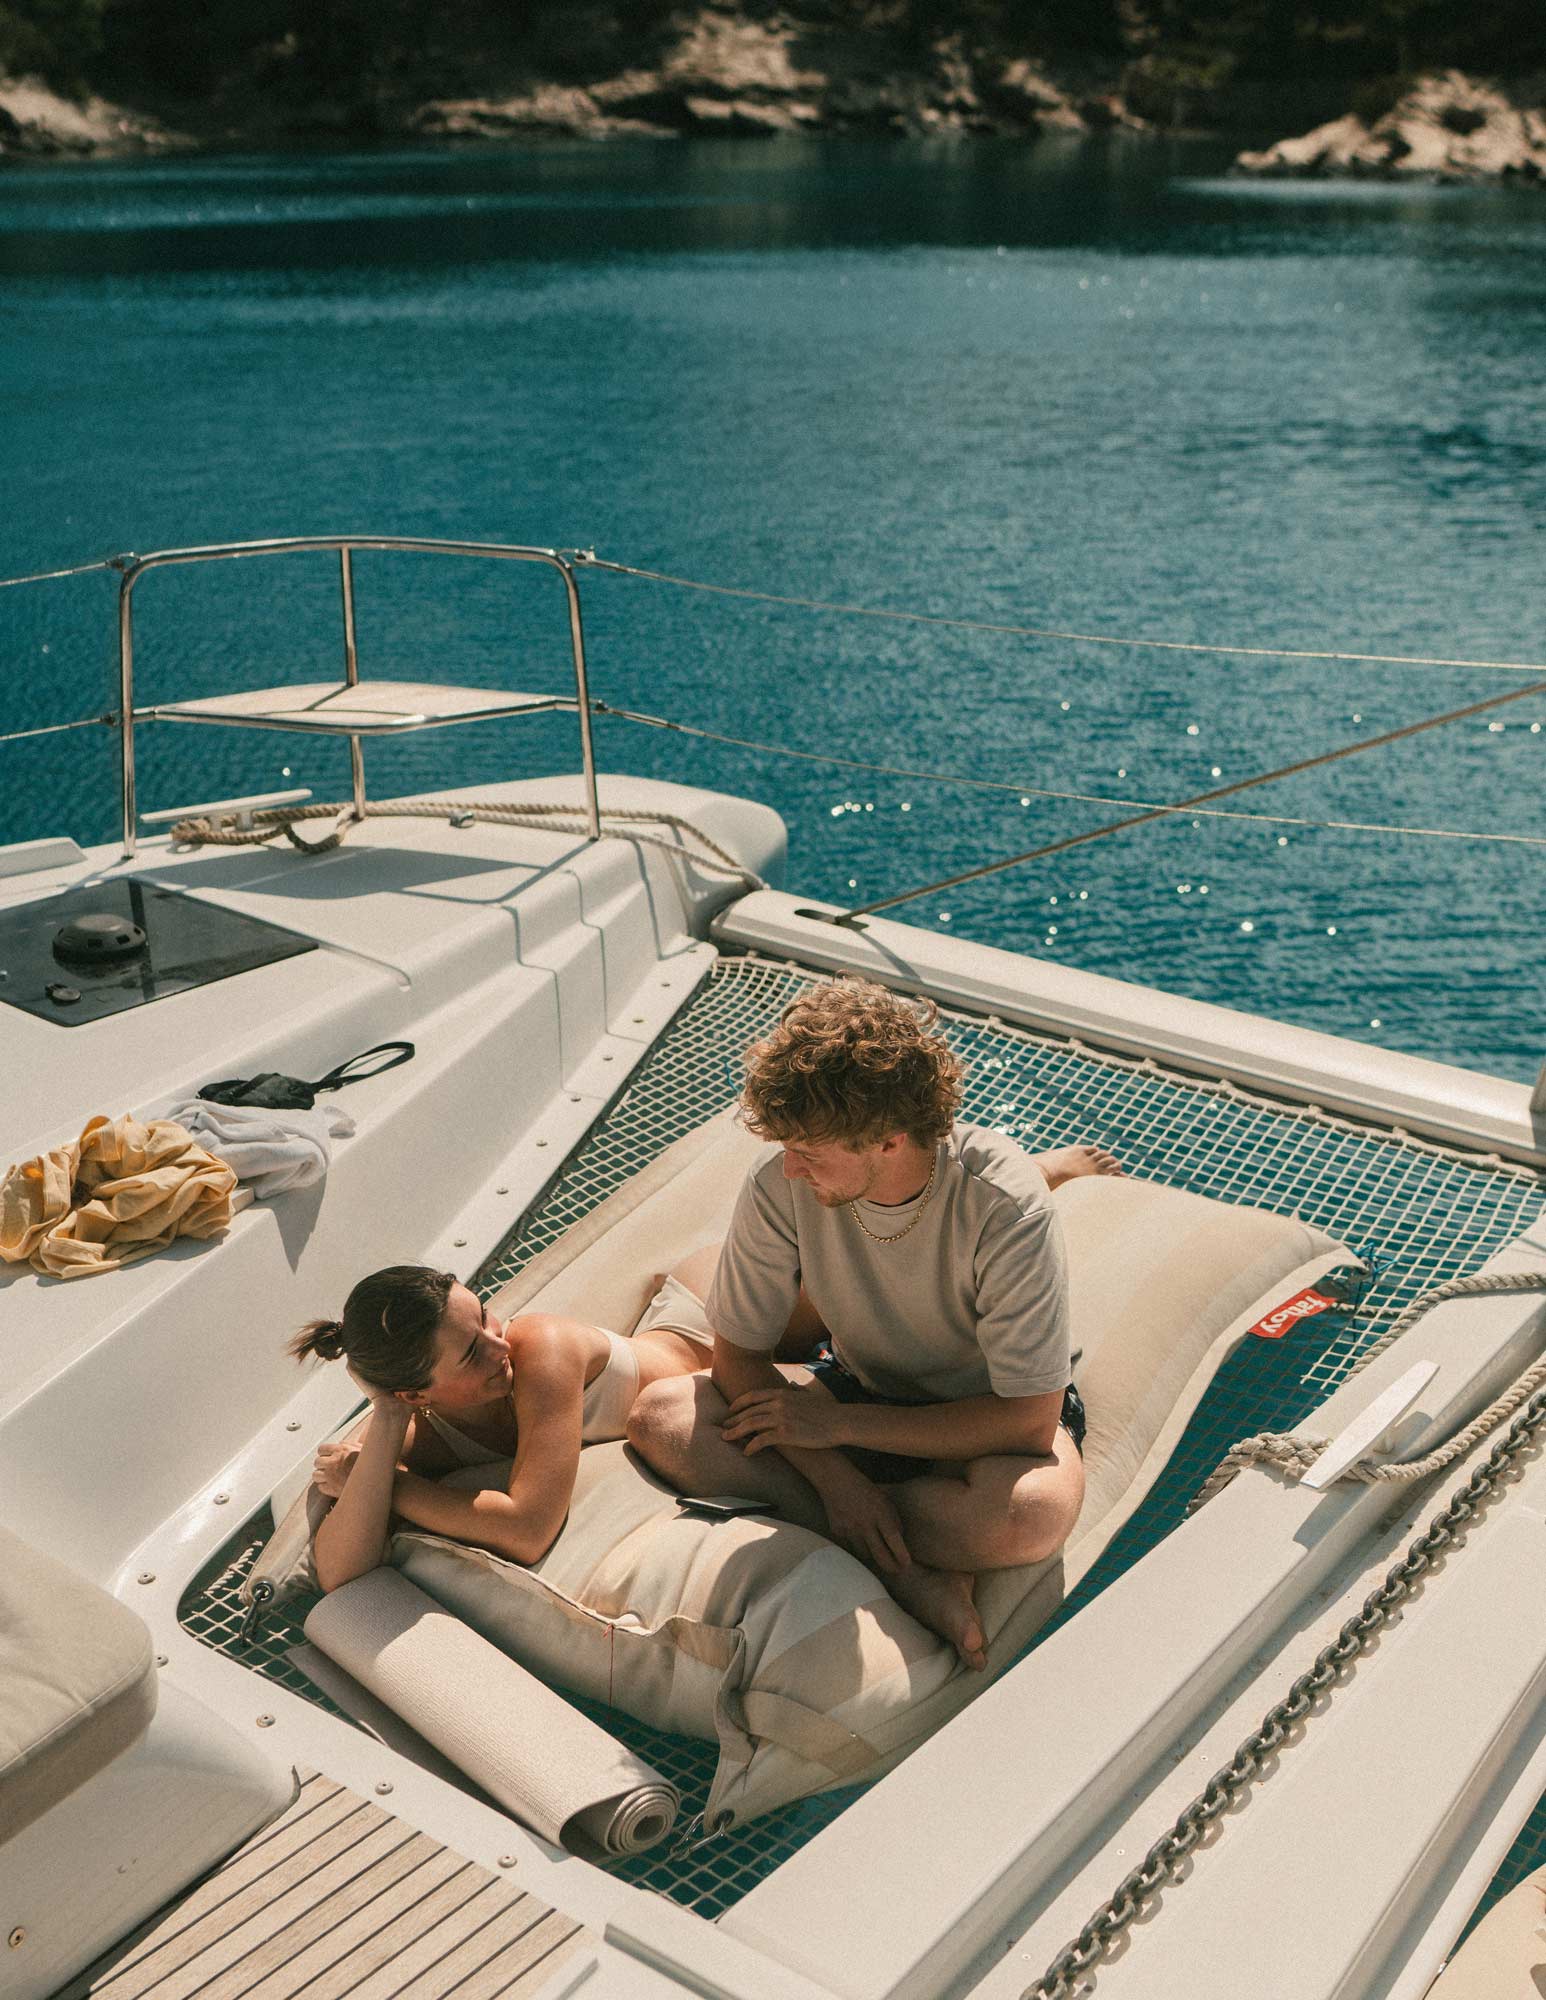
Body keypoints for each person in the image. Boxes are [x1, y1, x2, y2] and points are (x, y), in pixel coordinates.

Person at [625, 978, 1120, 1671]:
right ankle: (909, 1567)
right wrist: (838, 1483)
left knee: (1028, 1516)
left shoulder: (1004, 1205)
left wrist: (835, 1433)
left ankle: (873, 1534)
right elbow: (738, 1361)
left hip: (983, 1420)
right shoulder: (779, 1184)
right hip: (856, 1384)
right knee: (663, 1415)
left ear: (888, 1141)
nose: (791, 1169)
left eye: (810, 1152)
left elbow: (1027, 1421)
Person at [290, 1266, 712, 1592]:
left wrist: (384, 1485)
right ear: (414, 1397)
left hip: (704, 1321)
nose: (501, 1345)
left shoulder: (543, 1346)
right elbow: (338, 1572)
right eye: (473, 1353)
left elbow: (529, 1531)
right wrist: (386, 1414)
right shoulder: (420, 1428)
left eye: (484, 1315)